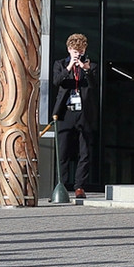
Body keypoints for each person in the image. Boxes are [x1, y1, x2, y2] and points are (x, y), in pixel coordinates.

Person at [51, 34, 95, 200]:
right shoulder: (60, 64)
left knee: (84, 152)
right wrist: (69, 66)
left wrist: (86, 69)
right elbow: (57, 82)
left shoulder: (90, 66)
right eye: (75, 51)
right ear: (69, 50)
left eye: (81, 51)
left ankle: (79, 186)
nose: (78, 54)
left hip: (83, 112)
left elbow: (93, 86)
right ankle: (61, 185)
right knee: (63, 151)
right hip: (65, 112)